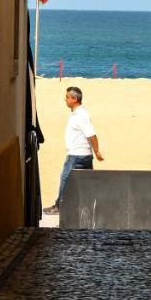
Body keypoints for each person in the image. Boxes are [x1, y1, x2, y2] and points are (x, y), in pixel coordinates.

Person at [43, 85, 104, 216]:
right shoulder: (77, 113)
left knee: (65, 179)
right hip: (83, 154)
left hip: (77, 155)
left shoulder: (81, 115)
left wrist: (97, 151)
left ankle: (59, 207)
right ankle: (89, 206)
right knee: (86, 182)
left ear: (74, 99)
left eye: (67, 97)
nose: (65, 100)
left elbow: (91, 135)